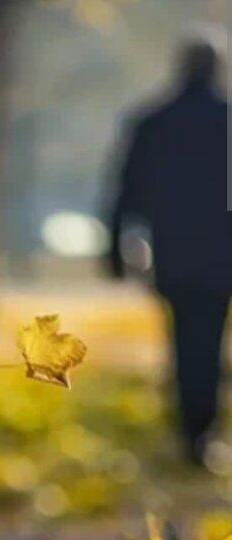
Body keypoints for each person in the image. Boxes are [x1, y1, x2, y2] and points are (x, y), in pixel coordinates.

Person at [106, 35, 231, 465]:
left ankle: (189, 428)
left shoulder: (153, 122)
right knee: (210, 340)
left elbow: (126, 192)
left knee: (181, 337)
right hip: (221, 256)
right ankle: (202, 428)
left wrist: (114, 250)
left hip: (174, 252)